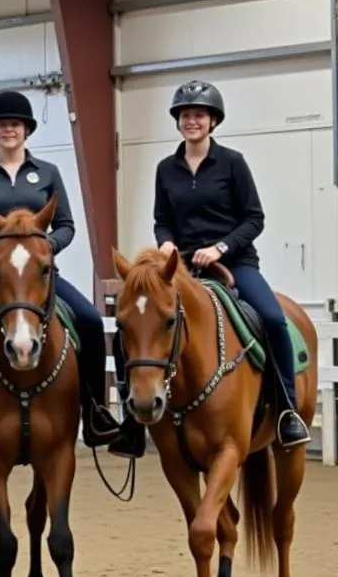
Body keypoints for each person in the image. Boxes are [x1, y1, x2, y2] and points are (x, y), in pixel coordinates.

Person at [109, 79, 310, 457]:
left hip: (235, 262)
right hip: (180, 268)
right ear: (178, 122)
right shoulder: (166, 169)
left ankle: (286, 410)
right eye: (185, 115)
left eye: (199, 114)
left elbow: (254, 218)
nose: (192, 121)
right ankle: (132, 421)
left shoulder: (233, 163)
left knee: (272, 318)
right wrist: (167, 241)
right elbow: (162, 219)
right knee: (134, 327)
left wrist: (220, 247)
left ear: (213, 120)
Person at [0, 90, 123, 450]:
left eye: (15, 124)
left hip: (40, 276)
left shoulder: (47, 173)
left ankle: (96, 410)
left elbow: (65, 224)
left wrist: (46, 248)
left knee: (91, 321)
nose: (9, 130)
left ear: (27, 130)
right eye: (2, 125)